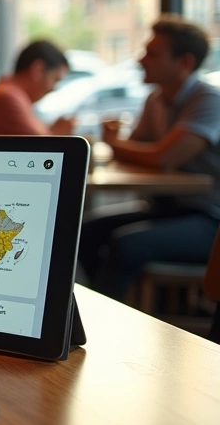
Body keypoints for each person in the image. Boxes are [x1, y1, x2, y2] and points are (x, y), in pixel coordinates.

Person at [78, 17, 220, 301]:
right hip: (168, 207)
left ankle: (107, 318)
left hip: (211, 219)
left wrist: (115, 143)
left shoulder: (209, 100)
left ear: (185, 62)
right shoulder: (155, 99)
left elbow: (163, 157)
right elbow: (135, 152)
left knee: (126, 244)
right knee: (85, 231)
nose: (140, 59)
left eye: (152, 54)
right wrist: (120, 145)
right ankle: (86, 310)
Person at [0, 40, 74, 135]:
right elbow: (44, 145)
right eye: (55, 79)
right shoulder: (7, 98)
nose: (53, 89)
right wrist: (58, 132)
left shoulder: (6, 92)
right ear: (38, 70)